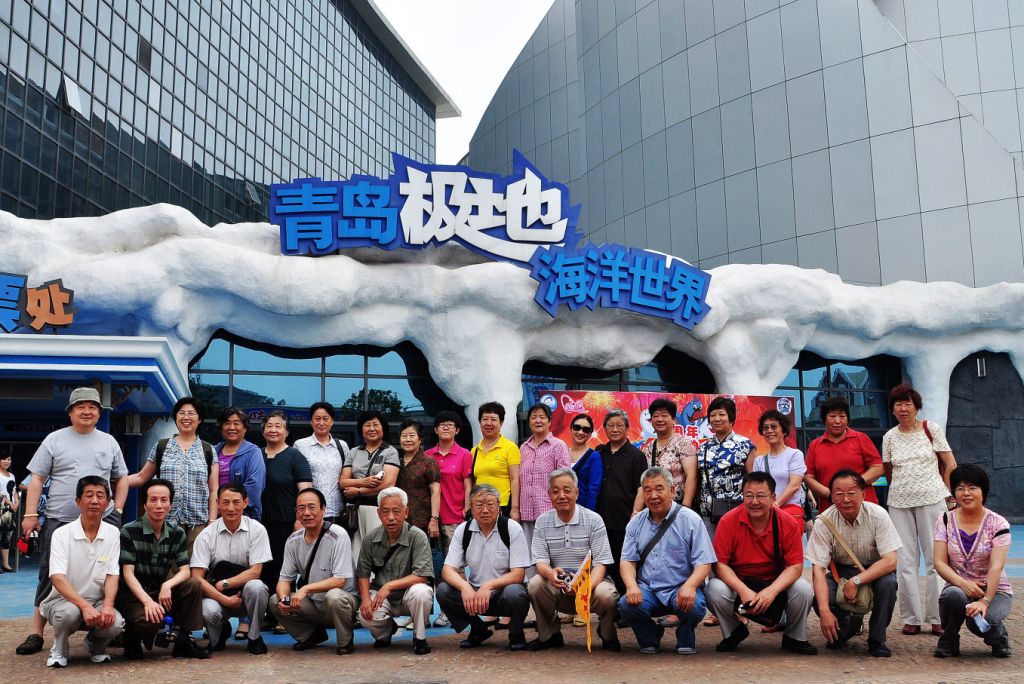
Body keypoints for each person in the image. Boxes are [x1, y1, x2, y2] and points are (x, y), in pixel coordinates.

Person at [17, 387, 129, 657]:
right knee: (49, 573)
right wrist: (30, 515)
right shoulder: (54, 440)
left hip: (102, 520)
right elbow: (37, 478)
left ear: (99, 413)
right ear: (70, 412)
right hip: (60, 518)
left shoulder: (109, 442)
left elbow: (122, 477)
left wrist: (118, 509)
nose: (87, 411)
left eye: (93, 407)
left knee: (107, 573)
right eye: (81, 406)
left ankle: (103, 630)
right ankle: (36, 633)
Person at [705, 471, 817, 655]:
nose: (754, 501)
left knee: (803, 589)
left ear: (773, 497)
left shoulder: (787, 522)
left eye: (760, 496)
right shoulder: (728, 521)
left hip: (775, 582)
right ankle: (733, 631)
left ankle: (795, 637)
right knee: (713, 589)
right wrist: (743, 590)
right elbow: (720, 565)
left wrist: (771, 591)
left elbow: (795, 566)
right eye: (749, 496)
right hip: (740, 582)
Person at [882, 383, 957, 636]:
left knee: (936, 559)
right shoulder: (889, 437)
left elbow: (950, 463)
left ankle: (938, 616)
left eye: (908, 403)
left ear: (916, 407)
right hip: (899, 503)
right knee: (905, 561)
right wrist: (903, 488)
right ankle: (911, 618)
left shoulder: (930, 428)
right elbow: (889, 470)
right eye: (898, 404)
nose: (903, 408)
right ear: (893, 409)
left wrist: (949, 493)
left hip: (933, 499)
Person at [618, 467, 716, 655]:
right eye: (647, 490)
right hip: (648, 589)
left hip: (680, 587)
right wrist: (631, 586)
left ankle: (685, 636)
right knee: (626, 605)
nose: (653, 495)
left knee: (695, 606)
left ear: (672, 490)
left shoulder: (691, 520)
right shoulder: (635, 523)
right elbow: (627, 561)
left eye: (659, 489)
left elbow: (704, 562)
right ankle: (650, 637)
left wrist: (690, 586)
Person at [806, 470, 901, 657]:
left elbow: (890, 561)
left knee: (888, 584)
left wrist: (856, 581)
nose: (845, 499)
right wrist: (824, 612)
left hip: (875, 570)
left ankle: (877, 639)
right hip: (840, 572)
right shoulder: (823, 522)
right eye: (839, 494)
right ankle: (846, 626)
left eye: (851, 493)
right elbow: (818, 570)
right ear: (831, 496)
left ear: (863, 494)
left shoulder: (878, 515)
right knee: (820, 595)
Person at [527, 468, 620, 651]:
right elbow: (540, 562)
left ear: (577, 493)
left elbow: (601, 563)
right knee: (535, 584)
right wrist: (550, 573)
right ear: (549, 495)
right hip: (558, 585)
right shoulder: (542, 522)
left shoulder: (594, 520)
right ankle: (549, 635)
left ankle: (607, 634)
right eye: (555, 491)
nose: (561, 496)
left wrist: (585, 586)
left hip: (590, 585)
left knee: (608, 594)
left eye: (567, 490)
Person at [117, 478, 209, 660]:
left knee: (193, 585)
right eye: (153, 500)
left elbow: (185, 570)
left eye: (164, 500)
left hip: (159, 591)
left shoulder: (177, 533)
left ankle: (184, 640)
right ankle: (131, 636)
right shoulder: (129, 531)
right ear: (145, 504)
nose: (159, 505)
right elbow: (128, 574)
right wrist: (147, 602)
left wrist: (167, 585)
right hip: (134, 596)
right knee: (148, 622)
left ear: (170, 504)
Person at [38, 476, 124, 668]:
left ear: (108, 503)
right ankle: (59, 648)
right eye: (89, 495)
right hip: (63, 601)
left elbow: (112, 574)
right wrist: (84, 606)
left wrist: (108, 605)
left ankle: (96, 645)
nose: (94, 501)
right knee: (67, 614)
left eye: (100, 496)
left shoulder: (113, 533)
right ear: (78, 501)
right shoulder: (62, 534)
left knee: (116, 623)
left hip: (97, 600)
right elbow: (57, 577)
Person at [436, 483, 532, 651]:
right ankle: (478, 629)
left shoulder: (511, 528)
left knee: (517, 593)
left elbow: (518, 574)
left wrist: (489, 586)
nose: (485, 510)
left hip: (503, 593)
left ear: (499, 505)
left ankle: (516, 632)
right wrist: (465, 587)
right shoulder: (463, 530)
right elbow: (447, 570)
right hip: (474, 595)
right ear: (471, 507)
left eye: (490, 504)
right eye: (479, 505)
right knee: (444, 591)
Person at [933, 464, 1013, 658]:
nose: (966, 493)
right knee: (951, 596)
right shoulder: (944, 520)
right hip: (959, 586)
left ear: (983, 491)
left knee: (979, 620)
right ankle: (949, 640)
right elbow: (939, 562)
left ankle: (998, 637)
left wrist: (985, 601)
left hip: (994, 590)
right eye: (960, 488)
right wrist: (963, 584)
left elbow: (996, 566)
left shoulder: (998, 523)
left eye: (972, 488)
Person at [271, 488, 359, 656]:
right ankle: (311, 636)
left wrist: (305, 589)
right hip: (313, 603)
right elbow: (284, 579)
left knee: (334, 596)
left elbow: (339, 580)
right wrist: (284, 599)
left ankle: (345, 641)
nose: (307, 513)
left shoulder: (338, 535)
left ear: (323, 509)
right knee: (275, 601)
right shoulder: (293, 540)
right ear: (296, 512)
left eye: (312, 507)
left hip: (342, 603)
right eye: (301, 508)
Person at [190, 483, 273, 655]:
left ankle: (255, 637)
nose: (230, 508)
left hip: (246, 595)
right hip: (217, 597)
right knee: (207, 610)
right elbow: (197, 577)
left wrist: (226, 583)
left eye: (236, 502)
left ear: (245, 502)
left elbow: (255, 571)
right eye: (225, 502)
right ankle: (220, 631)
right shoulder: (206, 535)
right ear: (217, 503)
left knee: (257, 587)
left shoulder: (257, 530)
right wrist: (225, 599)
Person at [126, 397, 218, 552]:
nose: (186, 417)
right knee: (165, 565)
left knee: (195, 564)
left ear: (200, 419)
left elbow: (214, 489)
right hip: (164, 522)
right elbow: (141, 477)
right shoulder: (162, 446)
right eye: (181, 413)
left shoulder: (208, 450)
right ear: (175, 418)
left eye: (191, 413)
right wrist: (114, 480)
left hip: (198, 525)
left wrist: (212, 522)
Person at [355, 487, 435, 655]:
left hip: (408, 595)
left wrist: (389, 586)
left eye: (396, 511)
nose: (390, 517)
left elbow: (422, 575)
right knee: (365, 614)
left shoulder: (417, 536)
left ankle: (419, 638)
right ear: (379, 513)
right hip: (382, 596)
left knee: (422, 592)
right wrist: (365, 599)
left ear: (406, 512)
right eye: (385, 512)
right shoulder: (370, 538)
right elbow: (363, 573)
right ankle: (385, 631)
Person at [260, 410, 312, 632]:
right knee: (264, 569)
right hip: (259, 523)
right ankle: (269, 613)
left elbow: (306, 491)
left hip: (286, 522)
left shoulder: (295, 457)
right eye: (269, 425)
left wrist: (300, 520)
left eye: (278, 426)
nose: (273, 429)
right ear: (263, 430)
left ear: (287, 431)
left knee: (284, 569)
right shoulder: (256, 454)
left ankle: (285, 613)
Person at [425, 410, 473, 628]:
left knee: (456, 567)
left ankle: (464, 608)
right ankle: (442, 611)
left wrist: (467, 509)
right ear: (436, 430)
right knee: (435, 568)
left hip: (455, 518)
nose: (446, 427)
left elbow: (467, 484)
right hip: (432, 520)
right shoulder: (427, 455)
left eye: (450, 424)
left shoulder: (464, 454)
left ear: (457, 430)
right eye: (442, 424)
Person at [594, 409, 648, 594]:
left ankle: (626, 600)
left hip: (624, 519)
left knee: (623, 562)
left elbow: (641, 488)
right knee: (602, 562)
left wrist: (635, 514)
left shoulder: (636, 456)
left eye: (619, 425)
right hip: (600, 520)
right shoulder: (599, 452)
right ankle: (607, 602)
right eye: (610, 425)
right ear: (604, 429)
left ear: (627, 428)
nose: (615, 429)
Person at [804, 395, 883, 513]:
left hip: (863, 506)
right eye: (832, 416)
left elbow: (878, 467)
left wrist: (855, 484)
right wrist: (829, 493)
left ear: (848, 419)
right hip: (830, 509)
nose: (837, 421)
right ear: (824, 419)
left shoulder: (860, 438)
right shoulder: (815, 445)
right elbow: (808, 477)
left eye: (842, 416)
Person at [339, 410, 400, 561]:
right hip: (354, 511)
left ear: (383, 428)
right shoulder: (354, 452)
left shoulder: (390, 452)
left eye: (375, 425)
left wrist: (358, 491)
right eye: (367, 425)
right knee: (355, 554)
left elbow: (388, 485)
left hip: (377, 509)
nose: (371, 428)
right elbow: (342, 482)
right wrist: (363, 482)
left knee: (377, 553)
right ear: (361, 429)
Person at [517, 403, 571, 575]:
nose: (538, 420)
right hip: (527, 512)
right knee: (529, 555)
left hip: (549, 512)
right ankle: (531, 589)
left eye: (542, 417)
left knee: (551, 555)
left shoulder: (558, 445)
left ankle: (554, 585)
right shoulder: (523, 447)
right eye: (534, 417)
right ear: (529, 422)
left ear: (549, 421)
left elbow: (565, 478)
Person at [697, 396, 756, 530]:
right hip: (708, 512)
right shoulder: (703, 447)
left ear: (731, 418)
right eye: (713, 415)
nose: (717, 419)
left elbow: (752, 478)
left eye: (722, 414)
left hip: (736, 510)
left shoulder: (745, 444)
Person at [293, 402, 349, 524]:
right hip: (310, 513)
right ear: (311, 421)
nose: (321, 422)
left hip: (337, 511)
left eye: (325, 418)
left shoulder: (342, 446)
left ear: (332, 421)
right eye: (317, 418)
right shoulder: (300, 445)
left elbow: (347, 475)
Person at [750, 410, 806, 524]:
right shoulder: (759, 461)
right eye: (765, 428)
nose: (769, 431)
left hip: (789, 513)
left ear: (783, 430)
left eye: (774, 427)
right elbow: (756, 488)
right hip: (766, 514)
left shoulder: (794, 454)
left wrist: (776, 504)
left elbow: (794, 485)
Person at [641, 398, 698, 508]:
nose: (660, 419)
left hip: (677, 506)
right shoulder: (648, 448)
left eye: (664, 415)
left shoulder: (683, 444)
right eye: (656, 416)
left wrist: (685, 506)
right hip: (654, 506)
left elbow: (692, 476)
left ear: (674, 420)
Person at [471, 401, 521, 519]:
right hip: (480, 507)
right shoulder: (474, 451)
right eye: (485, 419)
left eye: (493, 419)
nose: (488, 423)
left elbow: (515, 479)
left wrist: (515, 509)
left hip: (502, 506)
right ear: (479, 422)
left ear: (501, 423)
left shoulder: (510, 448)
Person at [214, 407, 266, 521]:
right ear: (221, 427)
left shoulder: (253, 452)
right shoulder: (213, 451)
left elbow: (254, 486)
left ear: (245, 428)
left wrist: (230, 507)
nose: (232, 427)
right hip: (215, 513)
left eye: (236, 423)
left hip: (244, 515)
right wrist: (215, 507)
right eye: (227, 423)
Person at [395, 419, 441, 536]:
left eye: (412, 435)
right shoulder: (396, 462)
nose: (407, 439)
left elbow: (435, 492)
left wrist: (434, 519)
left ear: (420, 439)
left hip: (422, 522)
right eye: (404, 436)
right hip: (399, 521)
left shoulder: (428, 461)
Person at [567, 414, 601, 511]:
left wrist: (588, 515)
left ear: (590, 434)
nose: (581, 432)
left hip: (582, 511)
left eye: (586, 430)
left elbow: (593, 489)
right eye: (577, 427)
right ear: (571, 429)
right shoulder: (562, 452)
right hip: (561, 509)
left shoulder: (594, 456)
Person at [1, 453, 18, 572]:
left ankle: (5, 564)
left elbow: (14, 491)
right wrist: (10, 503)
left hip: (10, 510)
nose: (7, 461)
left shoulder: (11, 475)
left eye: (9, 459)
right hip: (2, 508)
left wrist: (17, 502)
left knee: (7, 536)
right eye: (3, 459)